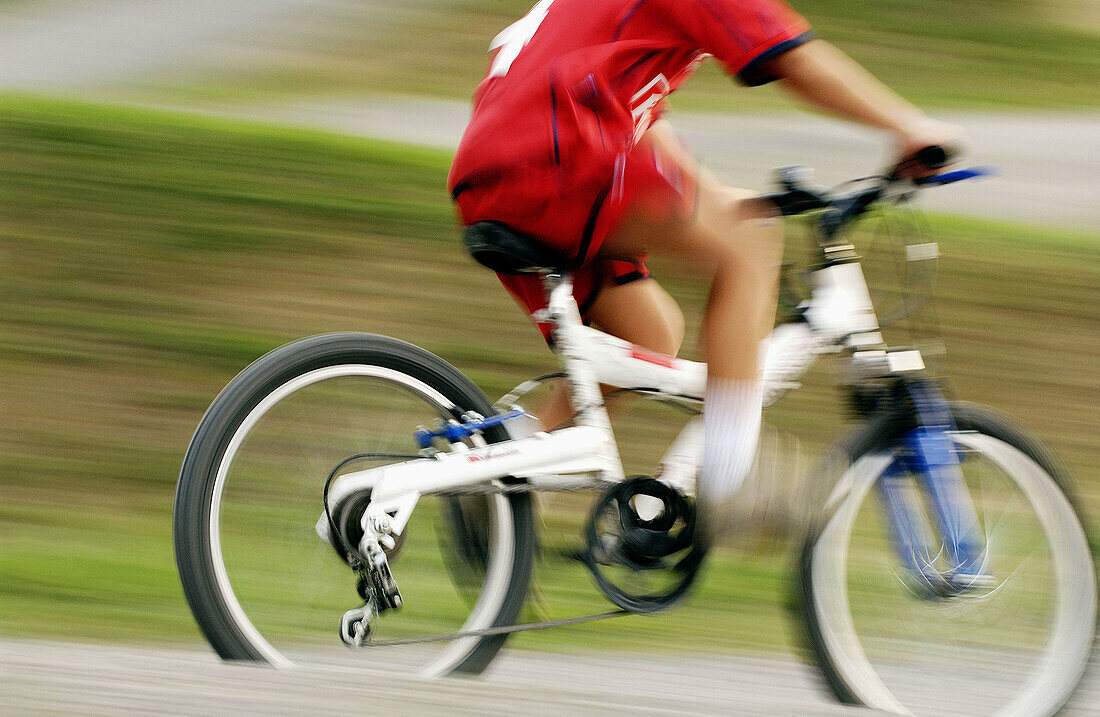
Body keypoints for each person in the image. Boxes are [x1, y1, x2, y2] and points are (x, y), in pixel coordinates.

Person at [447, 0, 961, 539]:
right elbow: (790, 57)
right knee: (751, 240)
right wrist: (909, 127)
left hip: (493, 173)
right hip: (565, 149)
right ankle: (728, 484)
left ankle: (505, 474)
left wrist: (717, 204)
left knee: (648, 334)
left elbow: (636, 109)